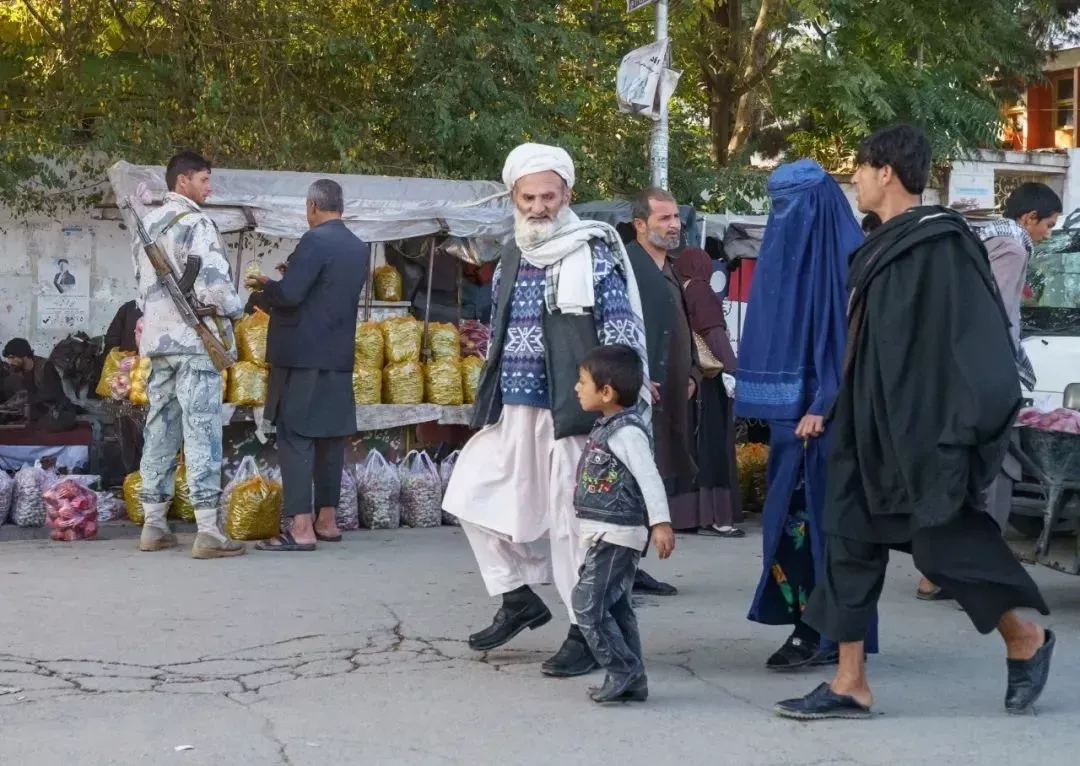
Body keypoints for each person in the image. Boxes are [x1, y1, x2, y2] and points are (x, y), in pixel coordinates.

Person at [775, 125, 1053, 721]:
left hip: (923, 435)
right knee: (847, 543)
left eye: (860, 167)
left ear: (887, 173)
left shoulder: (942, 246)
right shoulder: (880, 244)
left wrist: (966, 430)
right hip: (865, 426)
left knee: (944, 547)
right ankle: (850, 682)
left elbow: (976, 348)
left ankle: (1023, 638)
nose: (853, 178)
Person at [443, 143, 651, 679]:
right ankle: (517, 598)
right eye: (528, 197)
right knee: (468, 491)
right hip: (515, 406)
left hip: (575, 411)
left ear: (568, 195)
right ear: (514, 197)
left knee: (570, 524)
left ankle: (586, 632)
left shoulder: (594, 248)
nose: (538, 207)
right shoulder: (514, 250)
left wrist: (619, 409)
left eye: (548, 196)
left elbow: (621, 331)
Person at [736, 160, 877, 671]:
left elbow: (854, 343)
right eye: (778, 204)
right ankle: (806, 624)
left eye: (793, 204)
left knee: (828, 528)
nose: (784, 215)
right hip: (788, 422)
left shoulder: (849, 256)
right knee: (788, 526)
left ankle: (827, 633)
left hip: (831, 419)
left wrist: (824, 402)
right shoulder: (783, 255)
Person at [916, 181, 1062, 602]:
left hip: (952, 371)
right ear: (1028, 218)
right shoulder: (1012, 248)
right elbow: (995, 314)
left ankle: (935, 574)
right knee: (987, 476)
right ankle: (964, 574)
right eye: (1048, 225)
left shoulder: (983, 236)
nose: (1047, 234)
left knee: (954, 475)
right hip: (983, 375)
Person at [134, 151, 246, 559]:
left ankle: (153, 525)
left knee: (160, 430)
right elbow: (214, 288)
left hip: (159, 345)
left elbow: (140, 289)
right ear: (183, 182)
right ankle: (208, 531)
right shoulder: (196, 223)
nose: (209, 187)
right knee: (202, 432)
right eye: (203, 179)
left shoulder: (148, 224)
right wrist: (237, 309)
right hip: (194, 344)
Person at [251, 180, 369, 551]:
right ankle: (327, 521)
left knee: (296, 438)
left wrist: (268, 283)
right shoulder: (358, 247)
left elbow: (290, 295)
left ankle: (300, 528)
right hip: (337, 357)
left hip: (303, 358)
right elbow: (327, 291)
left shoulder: (314, 240)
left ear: (312, 207)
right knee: (331, 439)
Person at [571, 344, 675, 703]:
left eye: (582, 381)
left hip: (618, 536)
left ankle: (622, 670)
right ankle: (633, 680)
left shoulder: (626, 432)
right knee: (615, 607)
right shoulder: (606, 427)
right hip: (604, 534)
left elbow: (649, 478)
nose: (576, 388)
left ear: (607, 392)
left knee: (586, 604)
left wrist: (661, 523)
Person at [623, 188, 696, 594]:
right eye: (664, 219)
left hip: (668, 390)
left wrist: (690, 372)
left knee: (656, 474)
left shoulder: (669, 267)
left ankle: (633, 564)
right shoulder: (627, 266)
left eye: (676, 218)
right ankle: (621, 569)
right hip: (637, 390)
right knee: (633, 479)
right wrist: (632, 376)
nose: (674, 225)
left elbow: (679, 324)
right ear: (639, 225)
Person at [670, 248, 742, 538]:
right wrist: (735, 371)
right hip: (707, 383)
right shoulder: (700, 291)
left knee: (687, 448)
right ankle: (715, 516)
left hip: (685, 378)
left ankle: (685, 515)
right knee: (711, 447)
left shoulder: (678, 290)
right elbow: (714, 334)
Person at [103, 299, 145, 474]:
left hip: (148, 383)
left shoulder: (170, 308)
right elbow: (111, 342)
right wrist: (125, 361)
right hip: (129, 383)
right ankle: (132, 476)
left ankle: (138, 475)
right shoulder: (129, 309)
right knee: (129, 432)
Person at [2, 337, 76, 431]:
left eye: (12, 358)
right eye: (8, 358)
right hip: (27, 414)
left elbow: (53, 394)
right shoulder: (13, 373)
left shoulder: (46, 367)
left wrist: (24, 400)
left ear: (23, 355)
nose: (10, 362)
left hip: (52, 412)